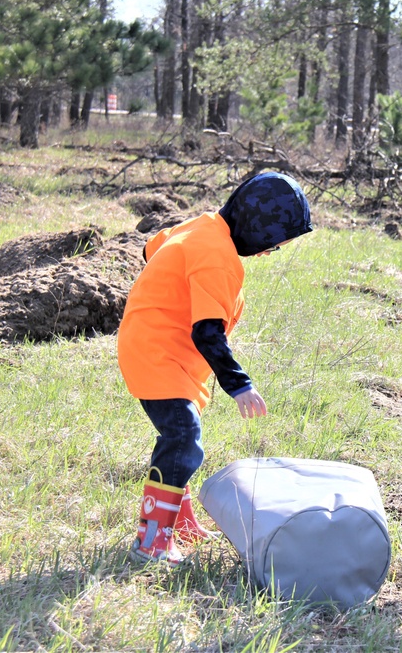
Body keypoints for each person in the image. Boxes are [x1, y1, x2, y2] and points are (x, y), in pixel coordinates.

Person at [117, 171, 313, 564]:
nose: (267, 253)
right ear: (259, 228)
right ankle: (152, 540)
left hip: (152, 346)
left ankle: (181, 522)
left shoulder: (204, 225)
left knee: (180, 440)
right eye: (273, 245)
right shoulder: (217, 258)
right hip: (159, 354)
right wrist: (239, 385)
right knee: (183, 439)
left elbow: (152, 247)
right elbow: (207, 333)